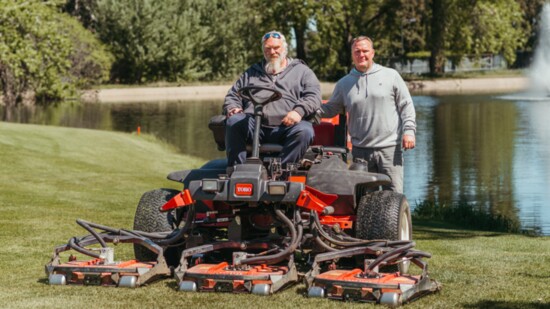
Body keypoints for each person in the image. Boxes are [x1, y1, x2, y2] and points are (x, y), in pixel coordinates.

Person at [320, 36, 416, 193]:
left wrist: (409, 132)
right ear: (352, 55)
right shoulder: (344, 84)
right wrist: (304, 108)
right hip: (360, 151)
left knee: (394, 198)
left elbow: (406, 105)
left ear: (373, 53)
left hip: (389, 149)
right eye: (357, 51)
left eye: (365, 51)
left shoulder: (391, 76)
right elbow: (330, 109)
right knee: (364, 200)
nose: (361, 55)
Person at [223, 30, 321, 169]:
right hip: (255, 123)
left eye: (276, 48)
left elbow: (313, 96)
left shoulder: (302, 71)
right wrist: (233, 107)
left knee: (305, 131)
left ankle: (281, 172)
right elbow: (233, 95)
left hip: (286, 126)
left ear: (285, 49)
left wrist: (298, 111)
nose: (272, 52)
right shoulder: (252, 72)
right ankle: (238, 170)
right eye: (268, 48)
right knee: (234, 122)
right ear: (263, 50)